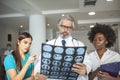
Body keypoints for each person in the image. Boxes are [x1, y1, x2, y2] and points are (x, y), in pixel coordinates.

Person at [34, 15, 91, 80]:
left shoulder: (79, 45)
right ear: (59, 26)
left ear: (72, 29)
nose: (66, 30)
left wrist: (85, 69)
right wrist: (37, 73)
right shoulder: (49, 44)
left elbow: (88, 61)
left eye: (69, 27)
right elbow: (40, 62)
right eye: (63, 26)